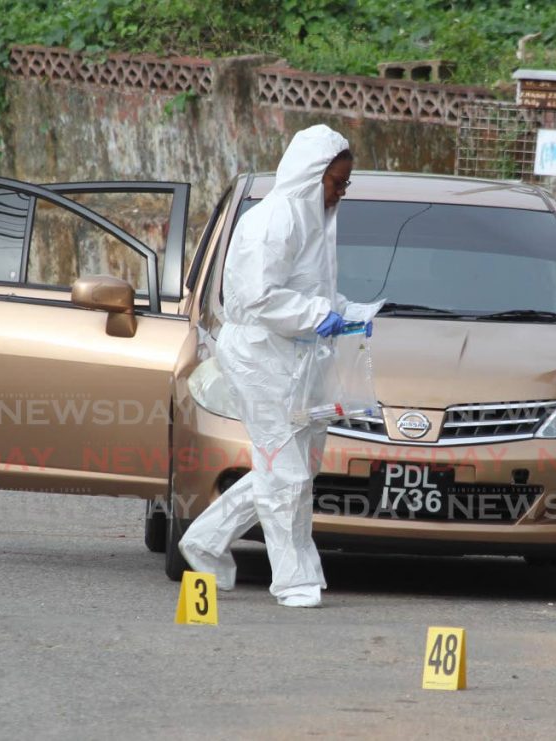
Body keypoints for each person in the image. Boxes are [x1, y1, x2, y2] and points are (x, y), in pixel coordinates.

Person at [179, 124, 359, 608]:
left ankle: (205, 539)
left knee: (292, 466)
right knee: (285, 471)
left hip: (296, 359)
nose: (342, 191)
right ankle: (293, 579)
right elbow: (260, 299)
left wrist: (342, 311)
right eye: (336, 181)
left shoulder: (316, 219)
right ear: (310, 175)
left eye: (346, 183)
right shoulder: (274, 221)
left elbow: (309, 289)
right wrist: (320, 315)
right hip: (261, 357)